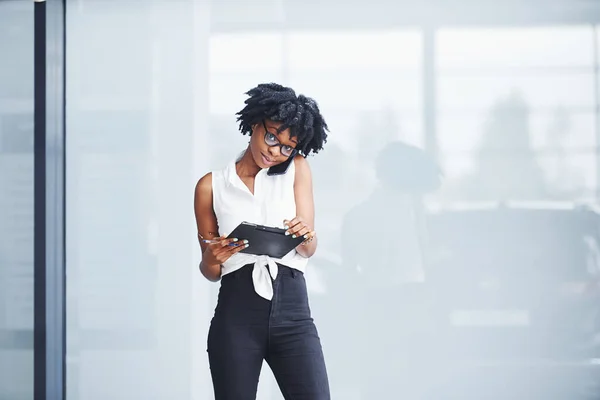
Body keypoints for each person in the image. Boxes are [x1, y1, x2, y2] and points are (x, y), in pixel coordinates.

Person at [193, 83, 331, 400]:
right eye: (271, 137)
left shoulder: (298, 169)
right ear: (255, 124)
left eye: (287, 147)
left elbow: (308, 248)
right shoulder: (210, 186)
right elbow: (210, 270)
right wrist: (214, 256)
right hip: (236, 318)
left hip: (294, 315)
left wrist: (305, 234)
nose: (275, 151)